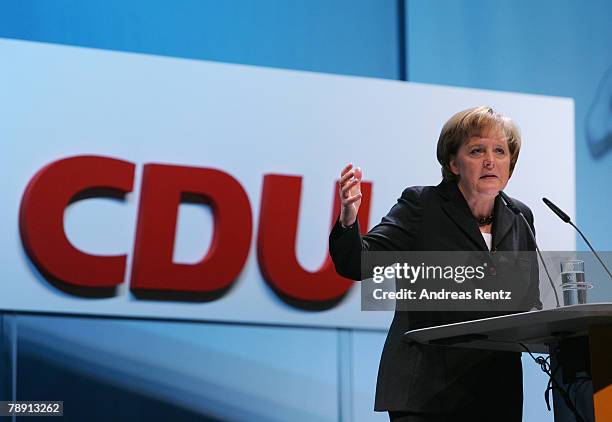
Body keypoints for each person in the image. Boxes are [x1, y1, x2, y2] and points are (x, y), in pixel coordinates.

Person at [329, 107, 542, 421]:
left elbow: (529, 299)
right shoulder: (421, 205)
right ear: (453, 163)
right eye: (476, 150)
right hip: (427, 391)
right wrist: (349, 221)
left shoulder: (520, 216)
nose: (490, 160)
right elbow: (356, 263)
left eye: (500, 151)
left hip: (495, 391)